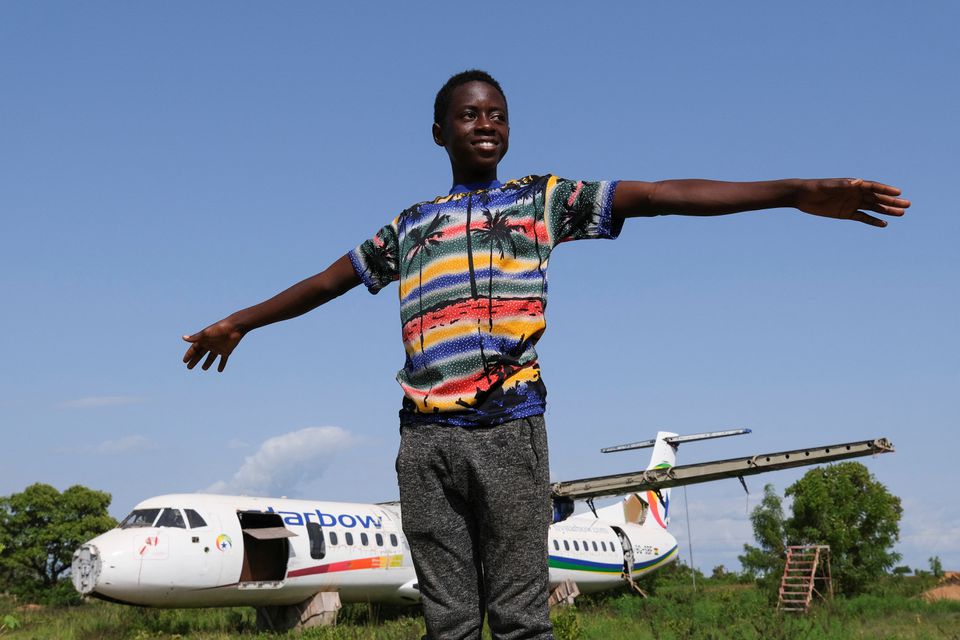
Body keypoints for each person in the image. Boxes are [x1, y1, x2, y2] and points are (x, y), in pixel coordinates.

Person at [183, 69, 910, 639]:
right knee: (449, 621)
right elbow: (326, 281)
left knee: (524, 618)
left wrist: (793, 192)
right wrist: (239, 322)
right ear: (439, 131)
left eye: (497, 113)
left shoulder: (541, 200)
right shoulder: (410, 226)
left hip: (509, 429)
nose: (486, 124)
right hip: (425, 440)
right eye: (470, 114)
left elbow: (660, 194)